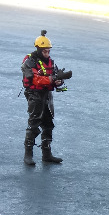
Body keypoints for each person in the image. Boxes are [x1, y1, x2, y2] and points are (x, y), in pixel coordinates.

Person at [21, 30, 72, 166]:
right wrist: (53, 78)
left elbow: (53, 77)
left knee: (48, 125)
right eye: (45, 51)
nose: (47, 54)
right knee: (33, 124)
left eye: (49, 51)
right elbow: (35, 79)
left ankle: (46, 154)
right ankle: (28, 154)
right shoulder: (29, 62)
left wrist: (59, 81)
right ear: (38, 49)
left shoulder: (49, 62)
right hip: (35, 95)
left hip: (47, 97)